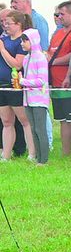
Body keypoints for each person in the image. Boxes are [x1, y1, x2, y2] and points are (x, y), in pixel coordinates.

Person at [47, 1, 71, 159]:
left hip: (70, 81)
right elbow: (50, 52)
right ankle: (65, 153)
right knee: (62, 119)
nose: (58, 17)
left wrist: (54, 61)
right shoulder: (57, 33)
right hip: (55, 82)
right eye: (57, 14)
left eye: (62, 14)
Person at [0, 11, 33, 161]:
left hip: (15, 84)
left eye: (9, 23)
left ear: (18, 24)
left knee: (24, 120)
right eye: (4, 23)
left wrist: (2, 50)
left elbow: (17, 64)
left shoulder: (22, 41)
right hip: (2, 85)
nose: (5, 26)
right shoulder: (4, 39)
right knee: (6, 121)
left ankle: (32, 153)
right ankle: (6, 155)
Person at [18, 29, 50, 166]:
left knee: (40, 129)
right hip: (28, 99)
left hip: (39, 100)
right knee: (33, 129)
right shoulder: (26, 58)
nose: (22, 44)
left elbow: (41, 80)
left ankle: (44, 160)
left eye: (24, 41)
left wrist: (23, 82)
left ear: (32, 41)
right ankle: (38, 158)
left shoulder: (40, 57)